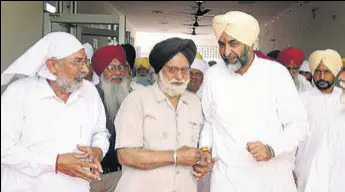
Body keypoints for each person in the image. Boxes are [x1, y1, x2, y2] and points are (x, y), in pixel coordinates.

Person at [196, 11, 309, 192]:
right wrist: (204, 150)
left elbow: (299, 124)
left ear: (250, 44)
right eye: (221, 44)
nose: (226, 52)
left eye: (233, 44)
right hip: (227, 179)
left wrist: (271, 149)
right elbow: (210, 121)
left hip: (271, 178)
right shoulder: (213, 75)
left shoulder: (276, 74)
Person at [1, 32, 110, 192]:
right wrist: (55, 162)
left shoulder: (89, 91)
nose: (85, 69)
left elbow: (100, 133)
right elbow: (4, 148)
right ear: (52, 65)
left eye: (85, 61)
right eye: (77, 62)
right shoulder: (19, 93)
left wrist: (98, 150)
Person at [114, 37, 208, 192]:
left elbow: (192, 151)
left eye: (184, 70)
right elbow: (125, 155)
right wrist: (175, 156)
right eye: (172, 70)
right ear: (159, 71)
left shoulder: (195, 104)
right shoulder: (137, 100)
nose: (179, 76)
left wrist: (201, 160)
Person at [295, 49, 343, 192]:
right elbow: (292, 135)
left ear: (335, 73)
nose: (321, 76)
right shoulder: (301, 99)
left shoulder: (343, 99)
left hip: (337, 170)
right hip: (304, 168)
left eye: (326, 72)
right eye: (317, 71)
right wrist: (290, 167)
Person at [89, 45, 133, 192]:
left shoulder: (132, 96)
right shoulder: (91, 96)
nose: (118, 73)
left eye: (121, 68)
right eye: (112, 68)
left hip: (126, 174)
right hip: (97, 176)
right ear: (102, 72)